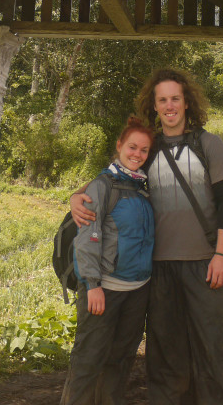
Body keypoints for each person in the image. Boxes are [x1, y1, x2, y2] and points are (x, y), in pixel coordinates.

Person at [71, 68, 223, 405]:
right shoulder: (147, 150)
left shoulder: (209, 144)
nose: (169, 105)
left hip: (205, 264)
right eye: (162, 100)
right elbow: (111, 180)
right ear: (155, 106)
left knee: (213, 348)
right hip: (158, 271)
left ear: (187, 102)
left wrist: (222, 255)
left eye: (175, 98)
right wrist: (77, 195)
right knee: (164, 353)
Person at [62, 116, 156, 405]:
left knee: (120, 361)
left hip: (137, 291)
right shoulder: (102, 186)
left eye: (143, 150)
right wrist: (92, 284)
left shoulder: (143, 188)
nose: (137, 154)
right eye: (132, 147)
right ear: (119, 145)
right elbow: (87, 238)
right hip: (103, 290)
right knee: (88, 360)